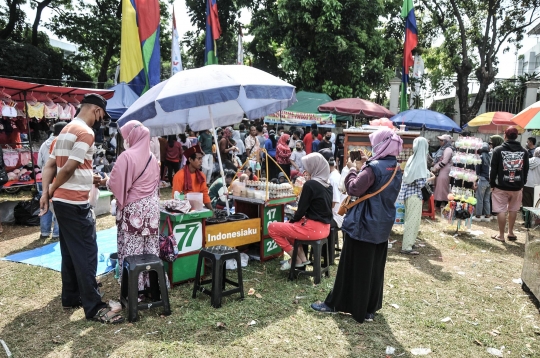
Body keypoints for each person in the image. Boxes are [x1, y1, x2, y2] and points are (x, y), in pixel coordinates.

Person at [39, 93, 124, 324]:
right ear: (96, 111)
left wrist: (48, 191)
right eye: (101, 116)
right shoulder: (86, 132)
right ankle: (94, 306)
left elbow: (49, 166)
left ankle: (71, 296)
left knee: (69, 250)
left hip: (62, 203)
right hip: (75, 202)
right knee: (87, 252)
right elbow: (67, 168)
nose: (100, 120)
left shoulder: (64, 131)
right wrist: (50, 191)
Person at [311, 128, 403, 323]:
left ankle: (335, 303)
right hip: (381, 224)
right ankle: (368, 308)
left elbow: (354, 188)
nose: (372, 146)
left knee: (351, 265)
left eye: (375, 143)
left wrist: (353, 169)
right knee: (373, 267)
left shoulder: (374, 168)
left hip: (363, 224)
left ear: (381, 144)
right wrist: (365, 164)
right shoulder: (395, 166)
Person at [102, 120, 160, 293]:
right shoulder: (152, 158)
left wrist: (106, 181)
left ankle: (136, 290)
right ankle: (153, 286)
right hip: (152, 209)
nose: (125, 140)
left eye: (126, 136)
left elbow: (115, 183)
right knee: (150, 249)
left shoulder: (126, 156)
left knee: (132, 250)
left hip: (134, 210)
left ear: (132, 136)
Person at [268, 153, 333, 270]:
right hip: (325, 228)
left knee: (273, 227)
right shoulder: (328, 185)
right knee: (289, 226)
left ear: (314, 167)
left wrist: (292, 219)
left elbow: (301, 210)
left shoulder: (310, 184)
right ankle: (302, 258)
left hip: (312, 229)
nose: (305, 170)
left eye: (308, 167)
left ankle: (294, 259)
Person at [490, 126, 529, 242]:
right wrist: (523, 183)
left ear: (505, 136)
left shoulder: (498, 150)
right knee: (513, 209)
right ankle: (511, 232)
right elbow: (526, 169)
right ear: (516, 136)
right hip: (517, 186)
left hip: (501, 186)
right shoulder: (524, 151)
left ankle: (501, 235)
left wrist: (492, 183)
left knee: (501, 209)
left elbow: (493, 169)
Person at [398, 137, 431, 255]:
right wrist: (429, 179)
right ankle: (406, 247)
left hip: (408, 194)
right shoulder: (420, 161)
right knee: (412, 221)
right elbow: (420, 183)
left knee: (411, 219)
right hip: (415, 196)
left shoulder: (412, 158)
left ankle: (409, 242)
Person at [38, 121, 67, 240]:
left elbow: (39, 163)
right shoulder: (63, 143)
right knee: (58, 205)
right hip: (58, 180)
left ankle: (45, 232)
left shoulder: (44, 144)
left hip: (44, 178)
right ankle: (56, 232)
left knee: (44, 205)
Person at [172, 144, 213, 210]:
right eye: (199, 159)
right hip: (183, 209)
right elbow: (176, 197)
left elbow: (205, 194)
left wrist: (212, 211)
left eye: (201, 158)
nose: (201, 161)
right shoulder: (179, 175)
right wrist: (186, 197)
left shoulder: (202, 176)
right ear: (190, 159)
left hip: (198, 208)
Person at [319, 148, 344, 229]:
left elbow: (333, 204)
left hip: (336, 217)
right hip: (332, 214)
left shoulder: (333, 179)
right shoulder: (332, 175)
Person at [432, 134, 454, 210]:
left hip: (444, 170)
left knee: (442, 187)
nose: (440, 141)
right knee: (439, 187)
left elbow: (444, 161)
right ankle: (439, 204)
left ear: (445, 141)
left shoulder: (448, 149)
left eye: (441, 140)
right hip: (441, 170)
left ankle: (443, 204)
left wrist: (436, 168)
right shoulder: (442, 148)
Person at [473, 142, 492, 222]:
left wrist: (475, 181)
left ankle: (478, 216)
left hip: (483, 180)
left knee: (479, 198)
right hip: (490, 181)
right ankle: (487, 215)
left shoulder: (480, 157)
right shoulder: (491, 157)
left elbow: (477, 172)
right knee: (487, 198)